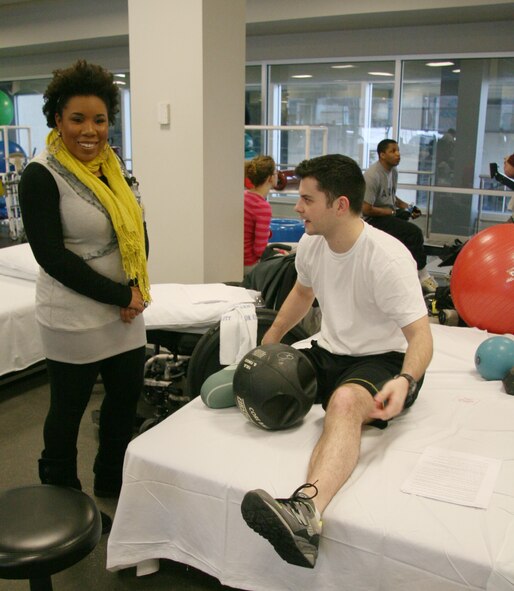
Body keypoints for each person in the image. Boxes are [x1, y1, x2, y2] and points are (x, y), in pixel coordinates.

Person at [240, 154, 433, 569]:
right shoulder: (312, 243)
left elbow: (421, 335)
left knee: (345, 404)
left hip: (381, 360)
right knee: (246, 381)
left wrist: (407, 380)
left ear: (340, 205)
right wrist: (267, 347)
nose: (297, 207)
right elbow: (300, 295)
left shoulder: (387, 257)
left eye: (308, 200)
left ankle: (305, 515)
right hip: (330, 350)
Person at [18, 60, 150, 532]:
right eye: (77, 119)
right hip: (73, 315)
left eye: (99, 119)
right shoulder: (40, 175)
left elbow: (135, 225)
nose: (90, 130)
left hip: (124, 313)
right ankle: (59, 493)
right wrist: (121, 292)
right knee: (68, 409)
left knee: (123, 401)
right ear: (57, 118)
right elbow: (52, 256)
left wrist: (136, 286)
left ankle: (111, 480)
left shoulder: (114, 168)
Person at [362, 139, 438, 293]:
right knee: (413, 233)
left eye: (398, 150)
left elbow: (391, 198)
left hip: (386, 216)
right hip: (371, 220)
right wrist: (393, 213)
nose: (398, 154)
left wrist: (408, 208)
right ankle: (423, 276)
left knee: (406, 225)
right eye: (393, 151)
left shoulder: (392, 172)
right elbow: (366, 209)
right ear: (382, 155)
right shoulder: (372, 176)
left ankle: (406, 274)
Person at [244, 155, 276, 274]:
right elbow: (259, 251)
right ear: (270, 178)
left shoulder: (244, 196)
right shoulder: (262, 207)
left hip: (236, 259)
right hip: (249, 265)